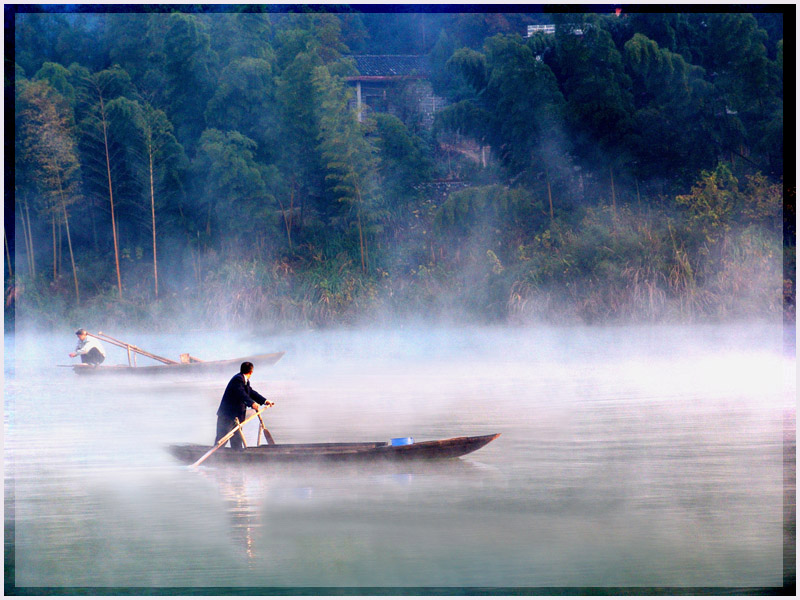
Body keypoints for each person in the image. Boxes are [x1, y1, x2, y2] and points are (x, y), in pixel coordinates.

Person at [215, 361, 274, 450]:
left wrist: (265, 401)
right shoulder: (238, 379)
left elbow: (251, 392)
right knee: (221, 440)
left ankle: (238, 459)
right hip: (227, 416)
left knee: (237, 442)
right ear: (251, 372)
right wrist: (252, 403)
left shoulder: (244, 381)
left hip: (236, 418)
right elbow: (241, 394)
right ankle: (215, 458)